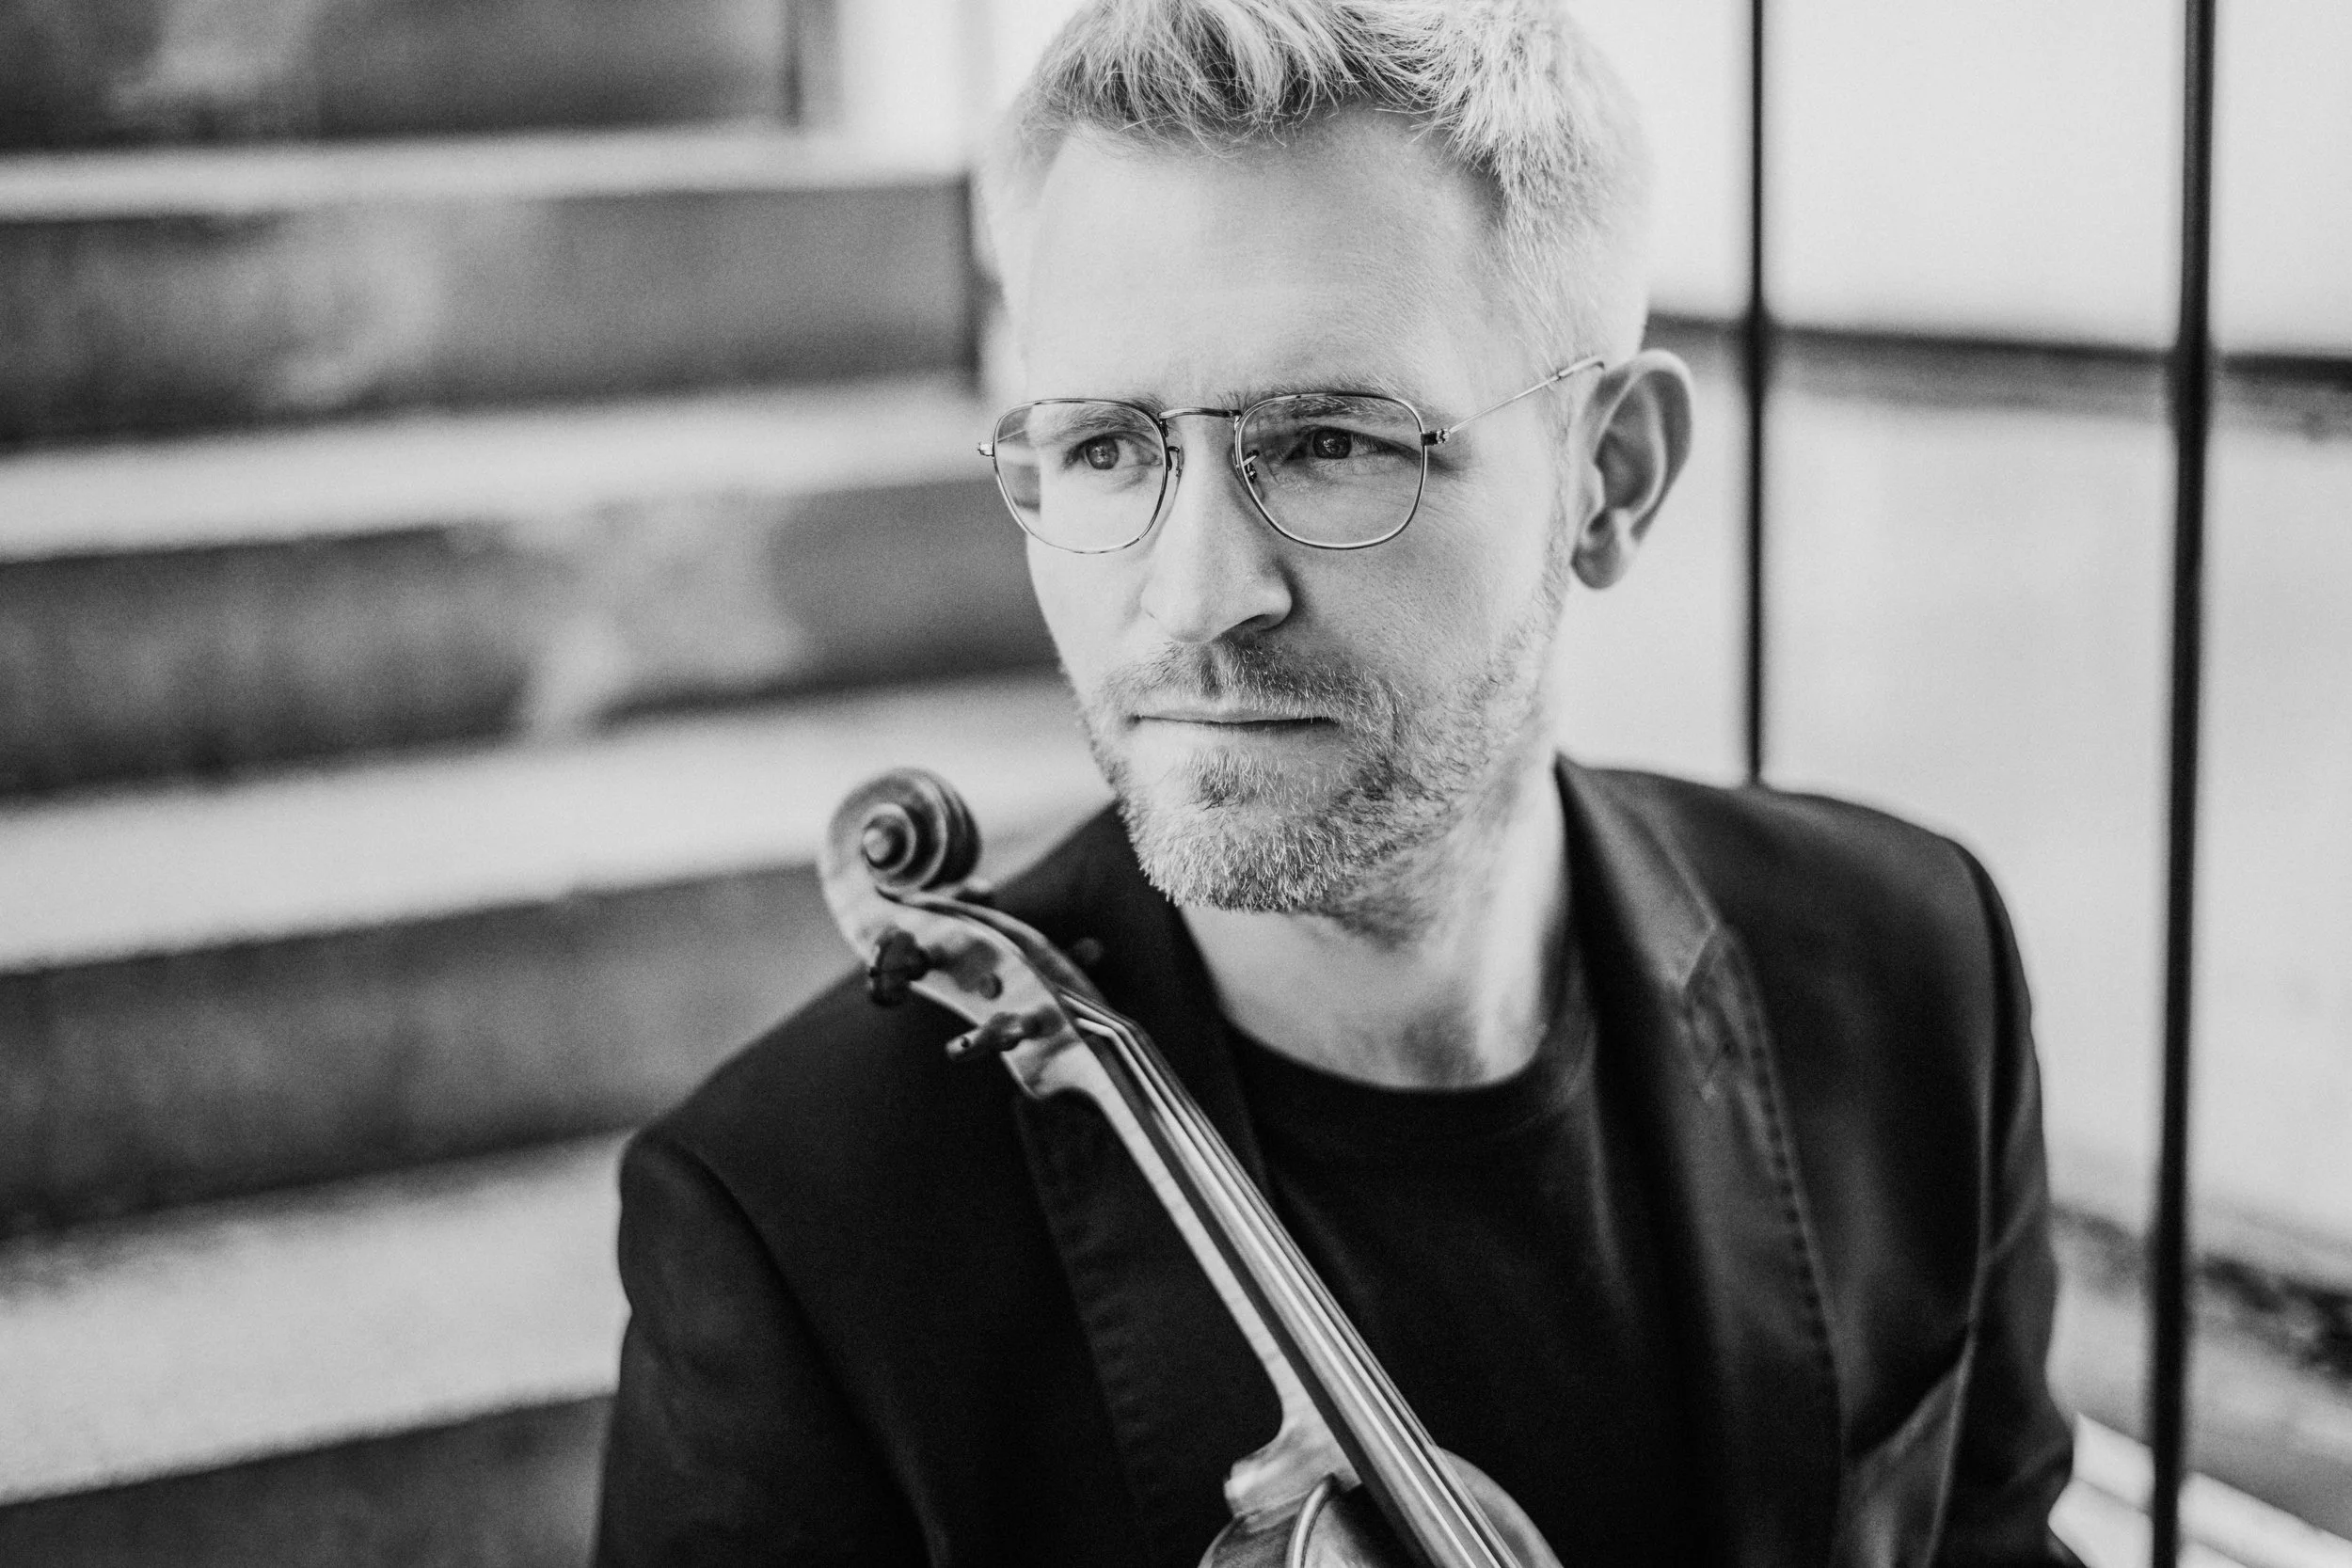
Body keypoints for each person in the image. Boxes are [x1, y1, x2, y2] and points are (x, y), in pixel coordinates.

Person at [594, 2, 2082, 1563]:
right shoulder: (799, 1235)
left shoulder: (1917, 973)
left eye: (1326, 442)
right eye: (1104, 447)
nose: (1189, 597)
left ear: (1612, 474)